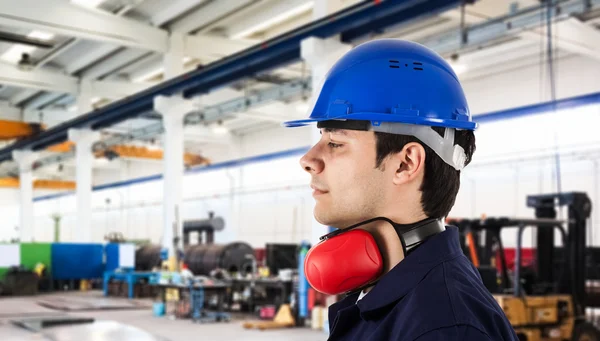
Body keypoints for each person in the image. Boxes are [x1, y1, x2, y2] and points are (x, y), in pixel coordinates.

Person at [283, 39, 518, 340]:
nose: (308, 160)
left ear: (406, 163)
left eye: (336, 143)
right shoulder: (393, 295)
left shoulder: (443, 327)